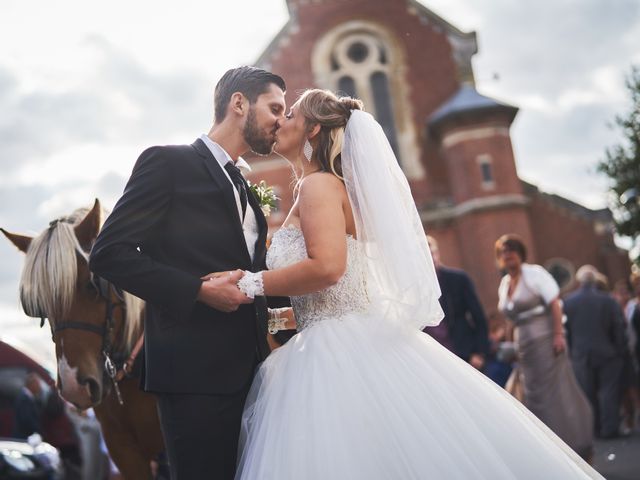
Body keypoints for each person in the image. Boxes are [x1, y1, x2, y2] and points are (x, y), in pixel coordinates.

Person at [226, 89, 602, 479]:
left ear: (313, 129)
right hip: (341, 333)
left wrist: (251, 284)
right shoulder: (327, 186)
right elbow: (340, 292)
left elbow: (328, 269)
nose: (280, 121)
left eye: (289, 115)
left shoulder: (318, 186)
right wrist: (277, 318)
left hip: (336, 351)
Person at [89, 66, 286, 480]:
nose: (281, 121)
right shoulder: (167, 163)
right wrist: (197, 290)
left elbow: (255, 272)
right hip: (194, 376)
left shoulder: (248, 191)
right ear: (238, 104)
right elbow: (109, 254)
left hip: (256, 371)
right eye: (274, 107)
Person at [495, 234, 593, 458]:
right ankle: (542, 450)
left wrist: (558, 335)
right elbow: (510, 318)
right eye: (503, 253)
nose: (508, 256)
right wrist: (510, 344)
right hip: (523, 349)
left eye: (512, 251)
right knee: (529, 395)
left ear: (520, 254)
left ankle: (570, 445)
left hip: (546, 342)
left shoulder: (535, 274)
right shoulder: (505, 283)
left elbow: (555, 304)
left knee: (553, 395)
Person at [564, 265, 628, 438]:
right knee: (609, 391)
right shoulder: (608, 300)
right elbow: (618, 328)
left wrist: (572, 352)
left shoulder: (568, 302)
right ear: (595, 279)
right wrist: (619, 350)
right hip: (608, 353)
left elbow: (566, 331)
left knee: (587, 394)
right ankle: (610, 428)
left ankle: (595, 429)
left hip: (581, 355)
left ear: (579, 280)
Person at [423, 235, 490, 369]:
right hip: (436, 359)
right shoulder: (417, 288)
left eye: (432, 253)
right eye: (425, 254)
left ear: (438, 253)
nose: (430, 258)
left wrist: (479, 353)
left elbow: (479, 318)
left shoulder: (458, 279)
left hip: (465, 354)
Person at [12, 372, 43, 439]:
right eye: (38, 384)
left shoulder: (27, 397)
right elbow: (27, 420)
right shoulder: (24, 399)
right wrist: (38, 430)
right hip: (24, 438)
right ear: (32, 384)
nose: (39, 387)